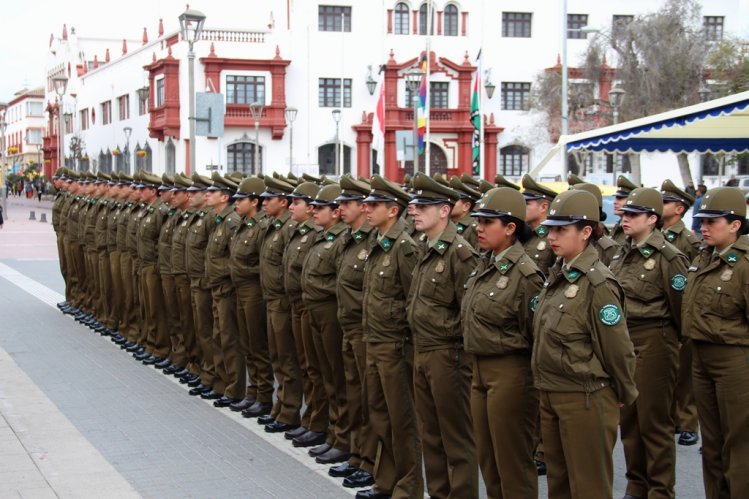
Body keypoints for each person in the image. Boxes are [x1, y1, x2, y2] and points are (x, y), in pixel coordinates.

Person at [532, 189, 638, 499]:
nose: (552, 236)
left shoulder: (598, 283)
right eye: (550, 228)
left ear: (586, 232)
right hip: (552, 391)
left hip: (585, 395)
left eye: (561, 229)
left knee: (589, 485)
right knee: (560, 484)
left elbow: (617, 347)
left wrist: (621, 391)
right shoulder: (560, 274)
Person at [462, 186, 544, 499]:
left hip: (510, 372)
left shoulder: (526, 275)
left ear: (510, 228)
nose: (478, 228)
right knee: (488, 458)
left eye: (487, 223)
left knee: (512, 461)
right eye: (478, 221)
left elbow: (533, 333)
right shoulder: (486, 264)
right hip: (479, 368)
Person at [609, 187, 688, 499]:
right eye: (625, 213)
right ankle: (636, 484)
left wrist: (675, 340)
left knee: (654, 422)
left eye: (633, 215)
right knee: (629, 420)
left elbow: (681, 306)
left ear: (653, 219)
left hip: (655, 337)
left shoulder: (668, 257)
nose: (625, 219)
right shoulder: (621, 252)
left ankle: (659, 489)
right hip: (625, 339)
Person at [406, 173, 479, 498]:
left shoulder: (459, 254)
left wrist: (455, 350)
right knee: (430, 434)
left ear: (444, 211)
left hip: (448, 355)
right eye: (414, 204)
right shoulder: (426, 247)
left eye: (423, 206)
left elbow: (469, 314)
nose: (414, 211)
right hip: (422, 350)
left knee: (456, 438)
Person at [358, 175, 423, 499]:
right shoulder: (378, 241)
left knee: (402, 421)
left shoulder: (404, 248)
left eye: (373, 205)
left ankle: (407, 487)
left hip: (396, 345)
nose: (366, 209)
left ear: (393, 210)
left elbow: (413, 300)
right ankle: (386, 481)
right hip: (374, 339)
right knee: (380, 415)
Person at [683, 186, 749, 499]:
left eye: (713, 222)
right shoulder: (704, 256)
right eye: (702, 221)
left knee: (739, 444)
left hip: (735, 359)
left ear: (735, 224)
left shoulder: (745, 265)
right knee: (711, 444)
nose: (703, 227)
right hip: (701, 356)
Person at [660, 179, 702, 447]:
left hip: (679, 312)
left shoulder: (688, 240)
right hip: (661, 315)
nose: (660, 206)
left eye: (665, 202)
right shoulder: (657, 235)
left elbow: (687, 282)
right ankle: (673, 417)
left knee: (684, 374)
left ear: (679, 208)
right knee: (667, 374)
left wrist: (682, 323)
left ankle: (688, 423)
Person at [521, 174, 559, 277]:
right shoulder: (522, 234)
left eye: (526, 203)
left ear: (543, 207)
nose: (521, 207)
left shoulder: (554, 238)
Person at [611, 175, 638, 245]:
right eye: (616, 198)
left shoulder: (634, 229)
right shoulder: (618, 226)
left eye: (620, 198)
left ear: (631, 200)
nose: (615, 202)